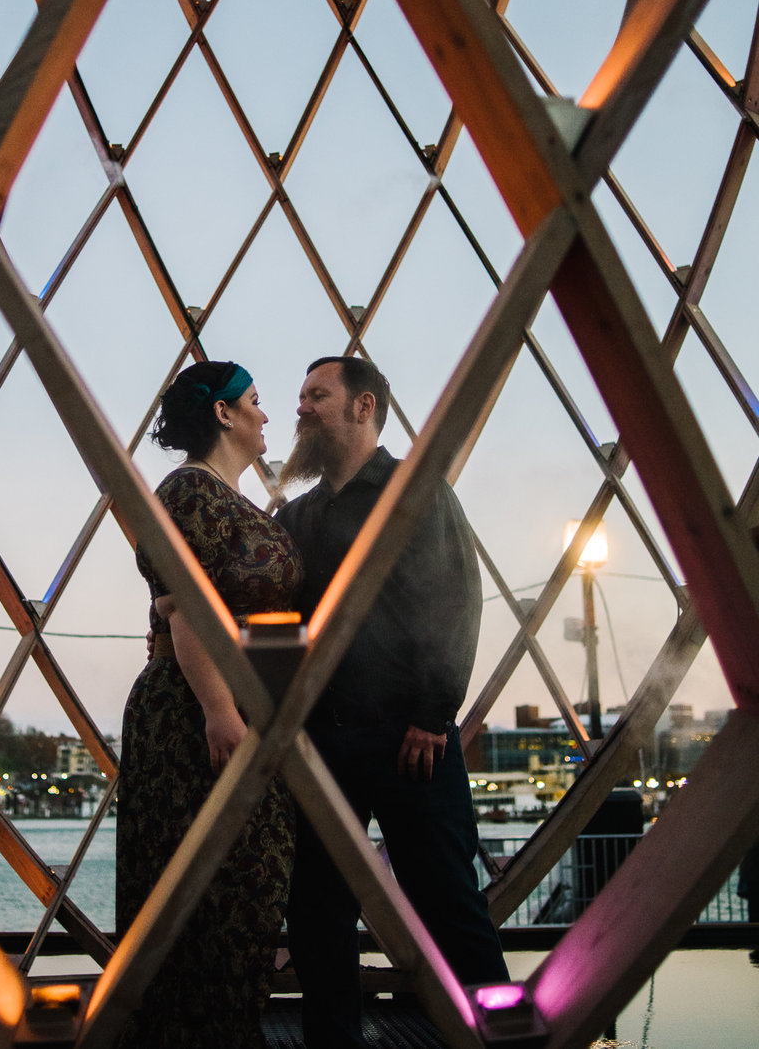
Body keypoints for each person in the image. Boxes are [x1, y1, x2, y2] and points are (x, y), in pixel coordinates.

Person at [275, 355, 508, 1049]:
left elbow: (458, 601)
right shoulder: (297, 515)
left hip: (411, 735)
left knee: (447, 902)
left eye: (317, 395)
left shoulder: (418, 492)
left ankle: (498, 1038)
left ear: (363, 406)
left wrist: (434, 717)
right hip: (323, 742)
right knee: (319, 912)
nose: (302, 408)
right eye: (300, 396)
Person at [115, 360, 303, 1049]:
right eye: (255, 401)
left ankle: (220, 1027)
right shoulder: (192, 493)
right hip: (195, 710)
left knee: (242, 882)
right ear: (223, 414)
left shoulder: (223, 495)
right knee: (214, 885)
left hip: (231, 704)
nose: (266, 413)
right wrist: (219, 710)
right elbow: (185, 606)